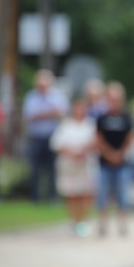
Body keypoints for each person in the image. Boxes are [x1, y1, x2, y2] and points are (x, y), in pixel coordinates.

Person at [50, 98, 98, 236]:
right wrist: (72, 153)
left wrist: (83, 151)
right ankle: (73, 221)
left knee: (86, 193)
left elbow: (96, 141)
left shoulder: (91, 124)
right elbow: (57, 144)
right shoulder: (66, 125)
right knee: (71, 194)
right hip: (69, 165)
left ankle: (84, 221)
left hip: (85, 164)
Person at [22, 69, 69, 203]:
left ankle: (52, 197)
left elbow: (61, 114)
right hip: (36, 137)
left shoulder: (58, 96)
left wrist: (41, 114)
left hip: (53, 137)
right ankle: (35, 198)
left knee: (52, 169)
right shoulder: (31, 96)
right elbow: (30, 115)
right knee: (35, 169)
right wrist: (49, 113)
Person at [95, 82, 134, 237]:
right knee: (103, 195)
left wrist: (120, 154)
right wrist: (109, 154)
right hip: (104, 163)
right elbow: (98, 139)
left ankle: (123, 224)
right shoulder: (102, 118)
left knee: (123, 195)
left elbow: (130, 138)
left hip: (122, 163)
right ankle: (102, 225)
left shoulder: (126, 117)